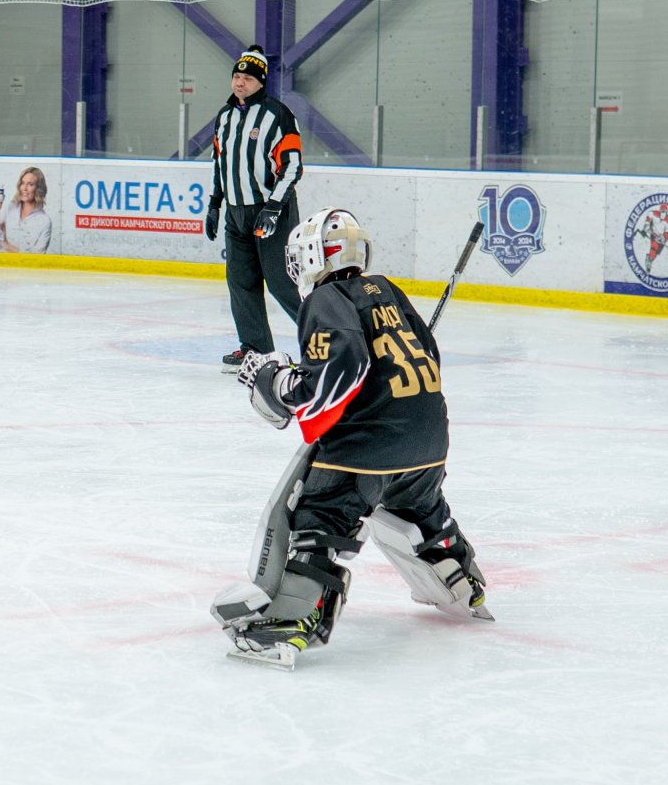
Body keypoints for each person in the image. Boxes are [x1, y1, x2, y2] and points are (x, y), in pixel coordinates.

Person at [208, 208, 491, 670]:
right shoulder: (388, 290)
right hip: (428, 439)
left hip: (367, 446)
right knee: (419, 509)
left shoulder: (327, 298)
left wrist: (277, 382)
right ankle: (461, 581)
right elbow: (426, 356)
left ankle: (287, 621)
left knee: (319, 516)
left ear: (315, 257)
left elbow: (340, 369)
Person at [204, 44, 303, 371]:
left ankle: (328, 340)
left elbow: (292, 166)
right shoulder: (225, 116)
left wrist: (273, 207)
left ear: (260, 81)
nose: (239, 82)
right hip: (236, 214)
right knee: (241, 282)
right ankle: (255, 348)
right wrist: (215, 204)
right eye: (236, 76)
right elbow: (220, 163)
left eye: (247, 78)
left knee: (283, 283)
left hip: (271, 212)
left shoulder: (278, 115)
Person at [0, 166, 52, 253]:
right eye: (22, 183)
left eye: (30, 184)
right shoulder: (10, 207)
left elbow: (37, 256)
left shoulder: (45, 221)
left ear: (38, 189)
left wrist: (7, 246)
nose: (24, 188)